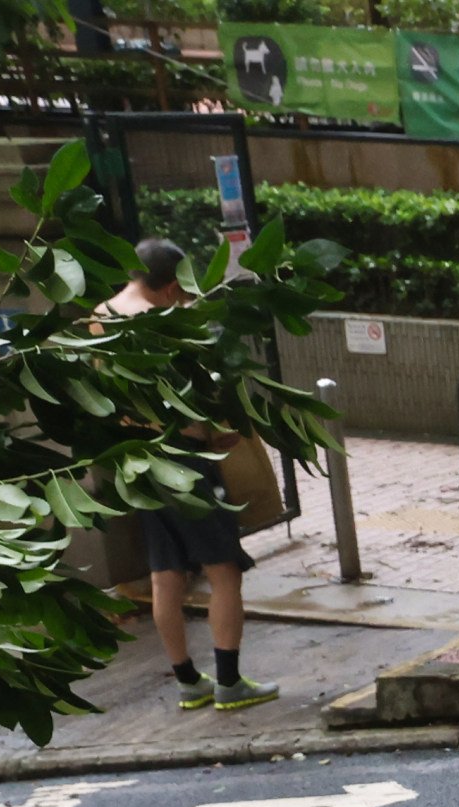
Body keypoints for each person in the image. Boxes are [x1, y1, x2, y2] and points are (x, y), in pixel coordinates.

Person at [103, 240, 277, 714]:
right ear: (174, 285)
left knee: (166, 575)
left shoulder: (100, 316)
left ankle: (187, 682)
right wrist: (212, 433)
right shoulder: (157, 323)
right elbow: (178, 401)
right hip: (184, 458)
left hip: (138, 462)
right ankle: (228, 681)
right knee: (224, 571)